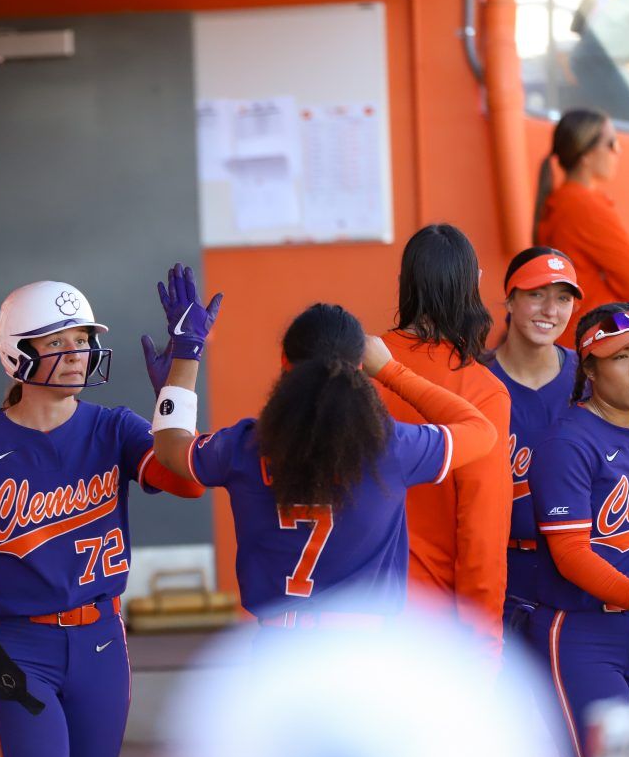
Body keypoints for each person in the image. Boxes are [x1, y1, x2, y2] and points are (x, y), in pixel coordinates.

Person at [0, 280, 204, 757]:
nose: (77, 354)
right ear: (17, 353)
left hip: (102, 640)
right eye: (58, 343)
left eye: (83, 339)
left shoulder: (115, 428)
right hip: (16, 647)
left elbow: (188, 481)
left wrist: (179, 376)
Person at [147, 266, 497, 623]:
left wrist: (185, 357)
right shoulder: (391, 447)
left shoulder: (245, 446)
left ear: (284, 363)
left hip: (279, 652)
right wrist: (391, 370)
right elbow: (481, 430)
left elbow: (170, 447)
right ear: (360, 367)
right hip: (366, 654)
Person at [527, 302, 629, 757]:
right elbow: (570, 556)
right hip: (585, 634)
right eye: (620, 356)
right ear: (588, 366)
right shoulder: (566, 443)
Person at [377, 223, 513, 657]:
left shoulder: (351, 364)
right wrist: (484, 647)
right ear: (474, 286)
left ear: (404, 284)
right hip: (429, 630)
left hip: (341, 613)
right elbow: (482, 535)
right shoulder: (481, 391)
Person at [486, 247, 582, 634]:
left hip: (576, 579)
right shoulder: (476, 381)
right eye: (536, 294)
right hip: (500, 576)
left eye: (563, 298)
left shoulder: (590, 378)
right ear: (509, 298)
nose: (550, 310)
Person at [534, 108, 629, 349]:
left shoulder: (563, 200)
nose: (618, 151)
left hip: (575, 342)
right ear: (586, 155)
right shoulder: (583, 205)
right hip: (597, 347)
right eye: (612, 143)